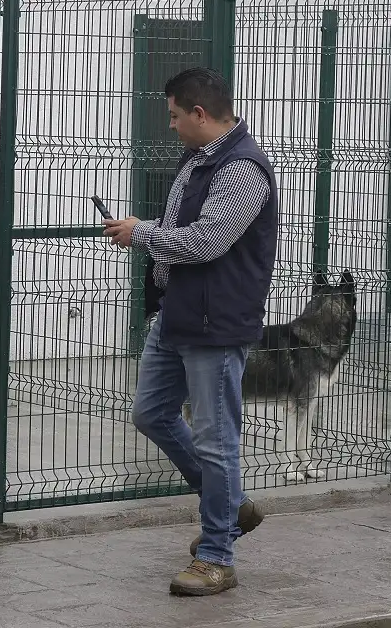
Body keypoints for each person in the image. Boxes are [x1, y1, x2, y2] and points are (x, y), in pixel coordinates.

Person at [102, 66, 278, 596]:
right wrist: (148, 235)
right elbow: (180, 231)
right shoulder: (198, 159)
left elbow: (205, 242)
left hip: (216, 325)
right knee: (150, 414)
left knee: (216, 440)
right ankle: (227, 505)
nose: (172, 126)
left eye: (176, 116)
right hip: (177, 317)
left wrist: (142, 232)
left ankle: (216, 556)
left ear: (200, 114)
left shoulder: (243, 169)